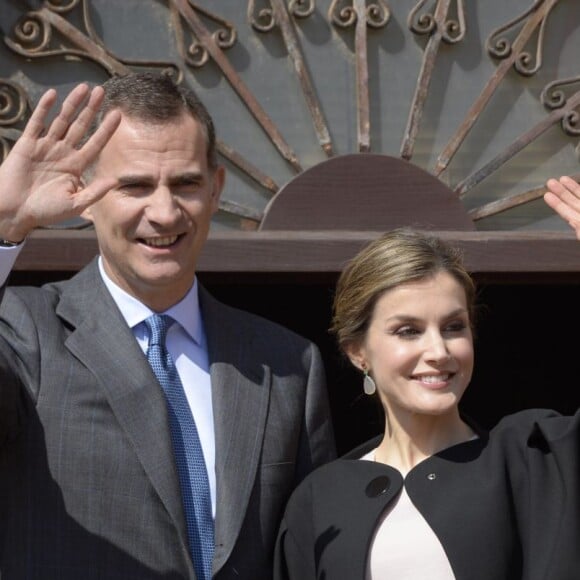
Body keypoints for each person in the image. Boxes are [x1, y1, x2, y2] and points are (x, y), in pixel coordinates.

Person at [0, 73, 335, 579]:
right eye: (134, 185)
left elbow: (313, 553)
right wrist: (2, 227)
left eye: (185, 184)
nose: (164, 212)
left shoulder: (288, 364)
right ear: (86, 196)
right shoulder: (27, 332)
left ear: (216, 189)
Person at [274, 223, 580, 579]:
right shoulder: (318, 499)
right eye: (408, 331)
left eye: (454, 327)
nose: (438, 351)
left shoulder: (535, 455)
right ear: (358, 352)